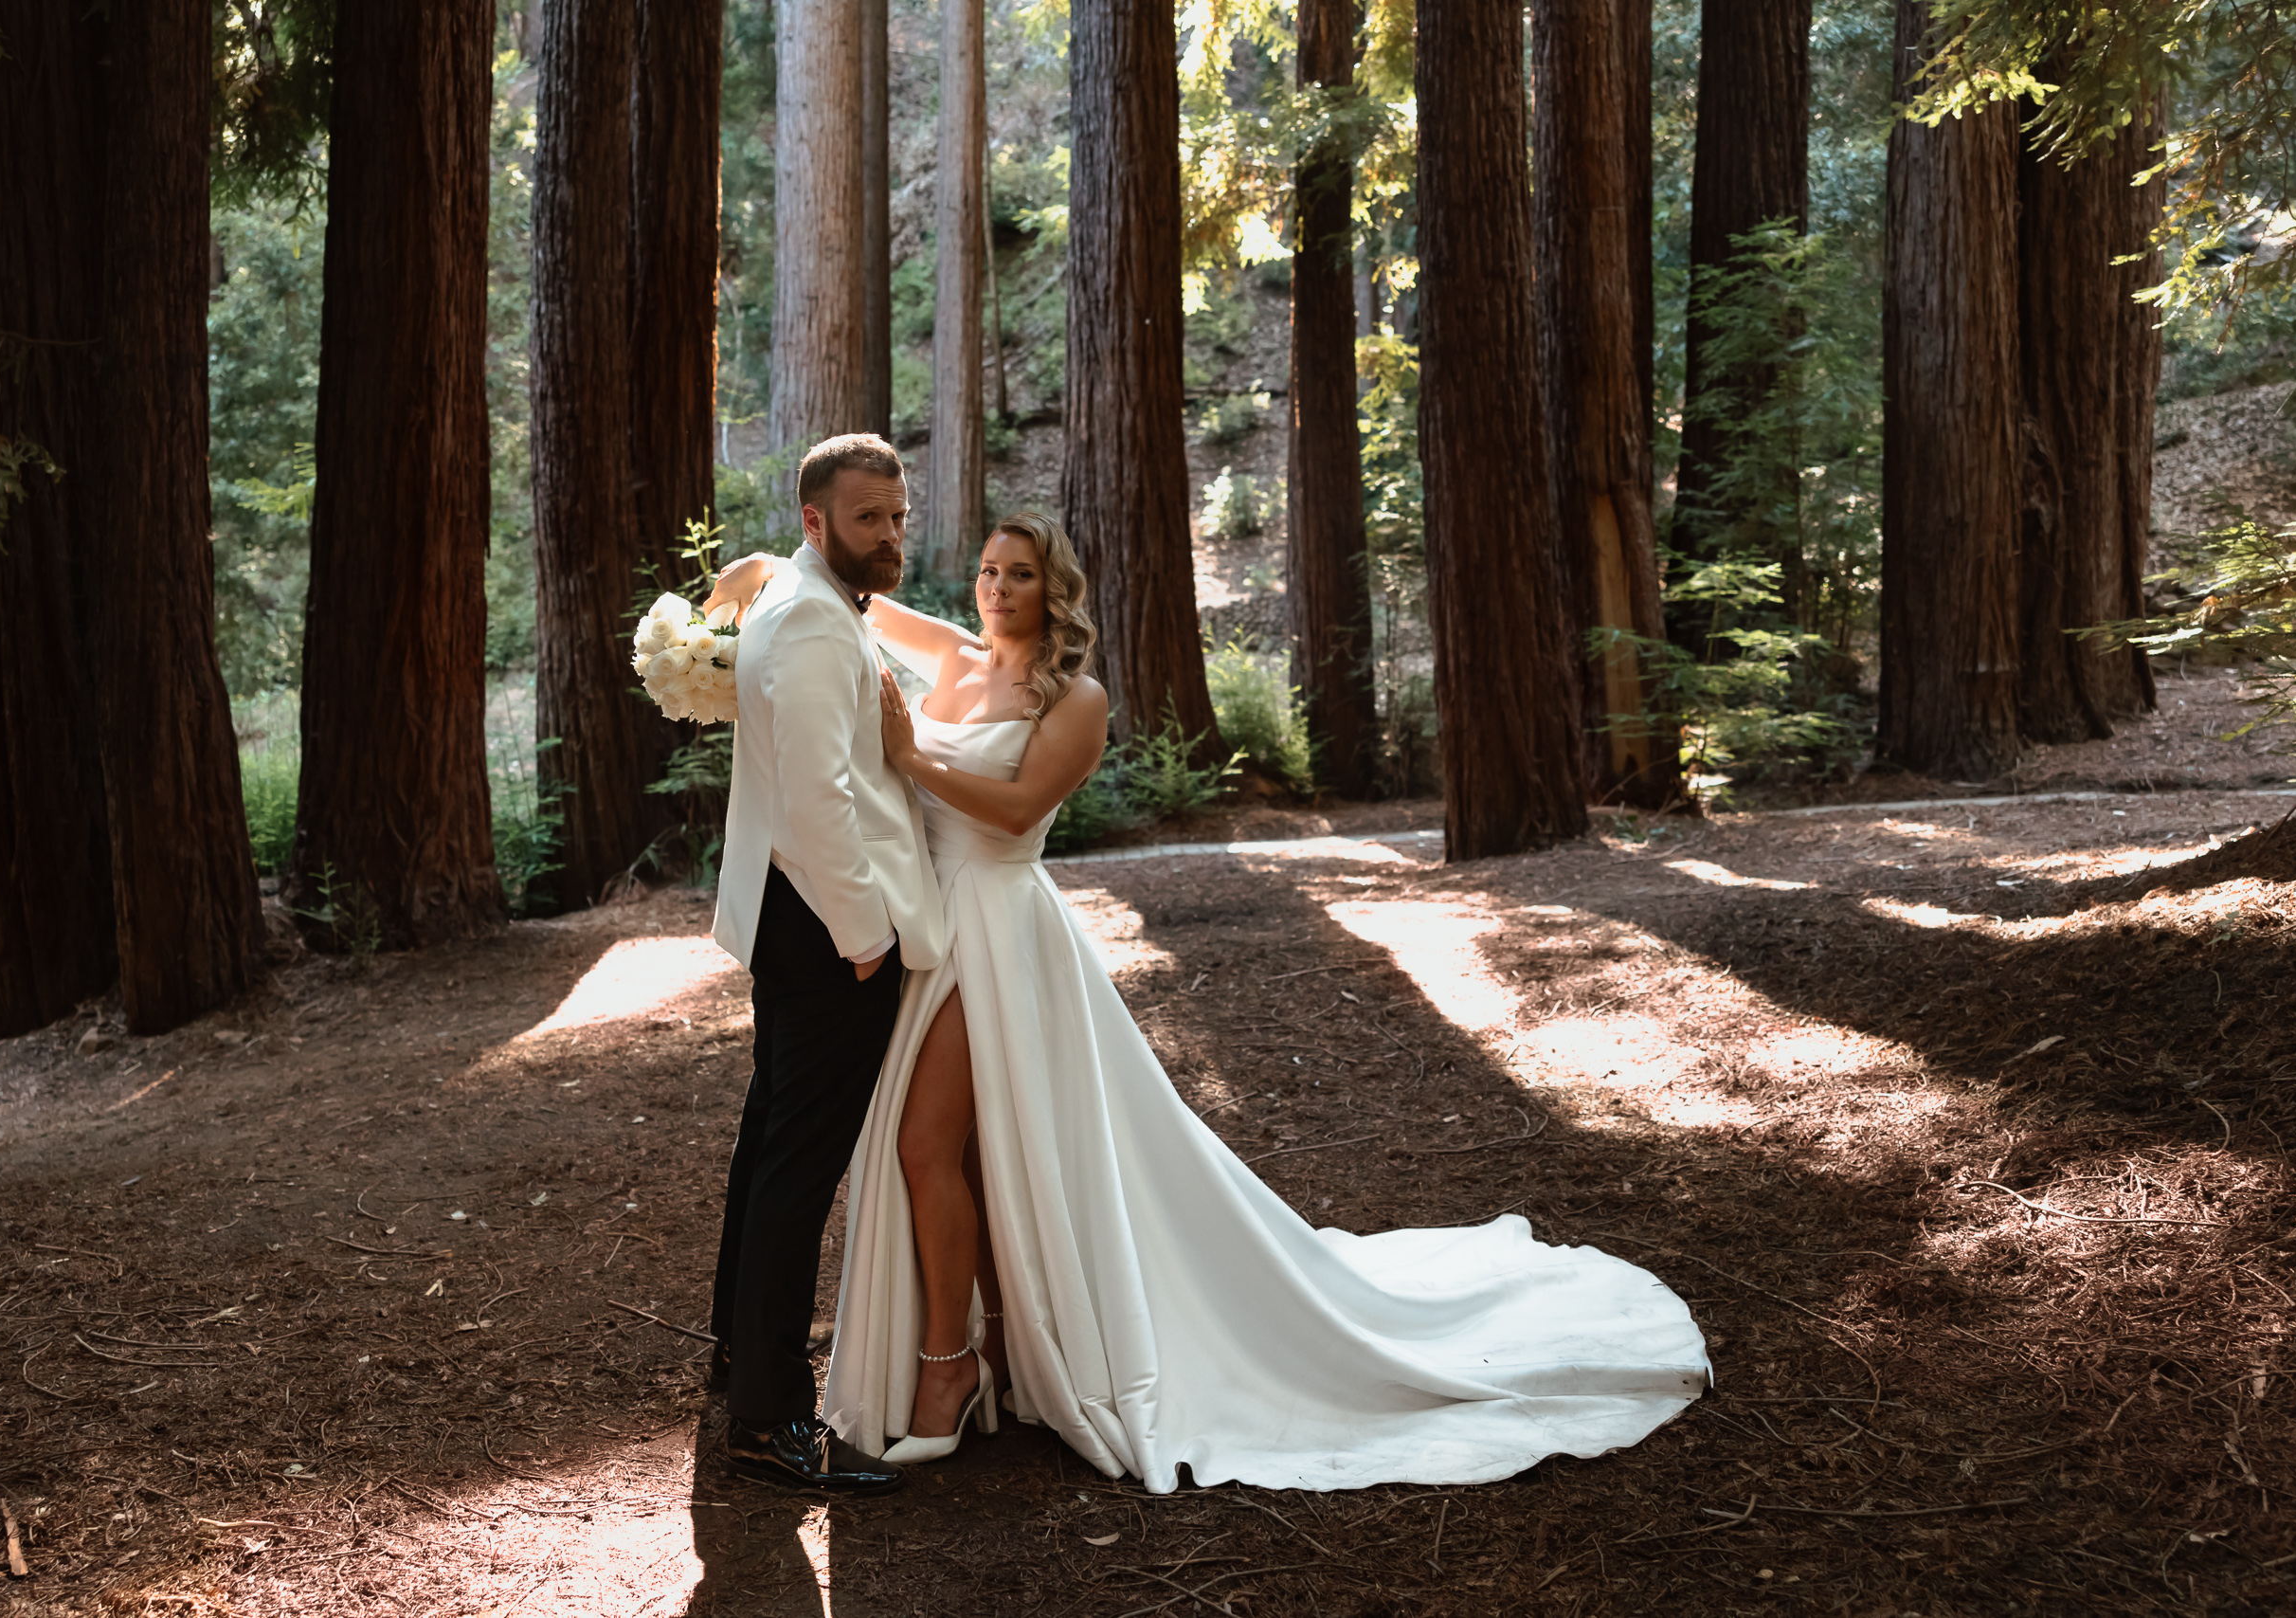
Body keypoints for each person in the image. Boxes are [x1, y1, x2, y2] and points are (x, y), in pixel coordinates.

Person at [708, 515, 1710, 1494]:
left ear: (1053, 591)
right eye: (986, 570)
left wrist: (909, 752)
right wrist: (769, 563)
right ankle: (1000, 1350)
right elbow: (860, 611)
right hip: (937, 930)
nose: (995, 588)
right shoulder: (962, 656)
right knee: (966, 1152)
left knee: (924, 1147)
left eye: (1018, 574)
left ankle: (948, 1370)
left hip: (1001, 934)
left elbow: (1016, 811)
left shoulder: (1077, 699)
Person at [700, 433, 944, 1498]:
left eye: (895, 514)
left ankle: (736, 1362)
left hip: (797, 923)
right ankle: (767, 1421)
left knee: (771, 1149)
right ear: (814, 522)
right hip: (823, 930)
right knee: (799, 1167)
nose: (889, 534)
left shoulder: (801, 603)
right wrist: (866, 939)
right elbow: (813, 809)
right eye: (866, 519)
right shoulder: (805, 620)